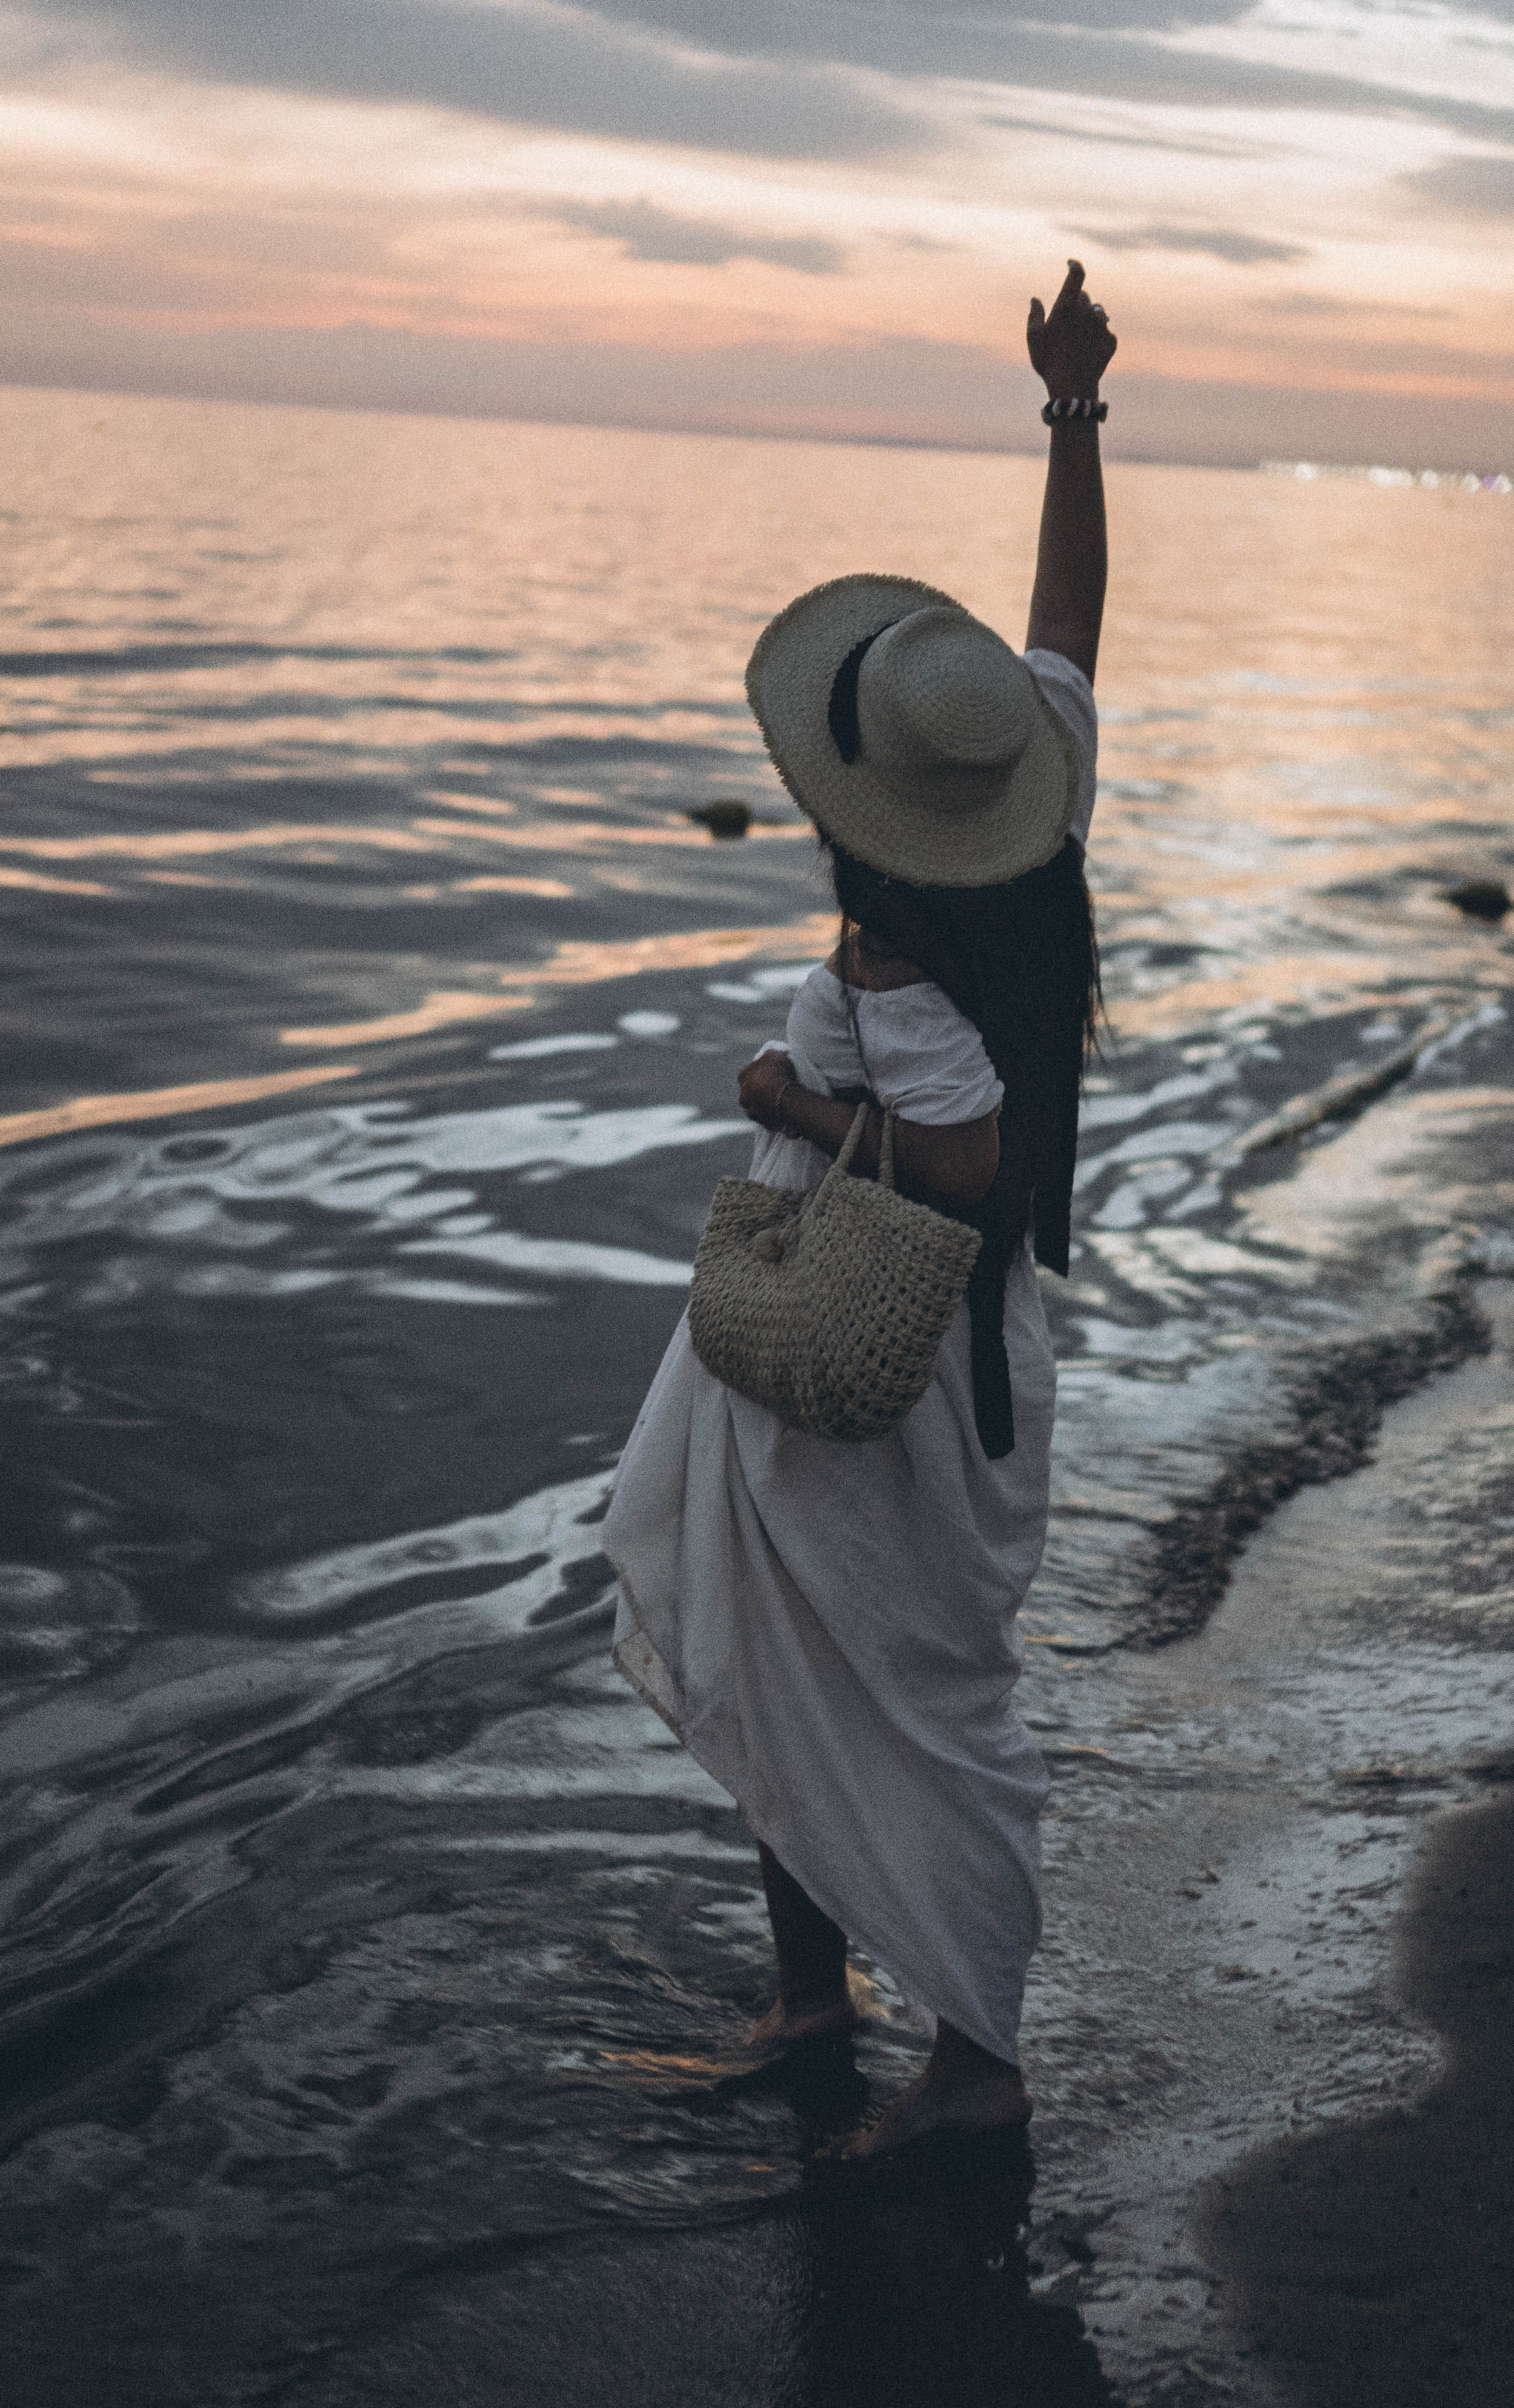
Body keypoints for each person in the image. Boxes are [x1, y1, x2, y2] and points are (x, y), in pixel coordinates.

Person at [603, 263, 1116, 2155]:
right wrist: (1073, 408)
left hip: (893, 1357)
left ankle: (977, 2067)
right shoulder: (1042, 809)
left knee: (907, 1702)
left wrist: (786, 1099)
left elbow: (965, 1168)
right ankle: (814, 1996)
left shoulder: (901, 936)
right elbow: (1069, 621)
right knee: (796, 1668)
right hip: (888, 1336)